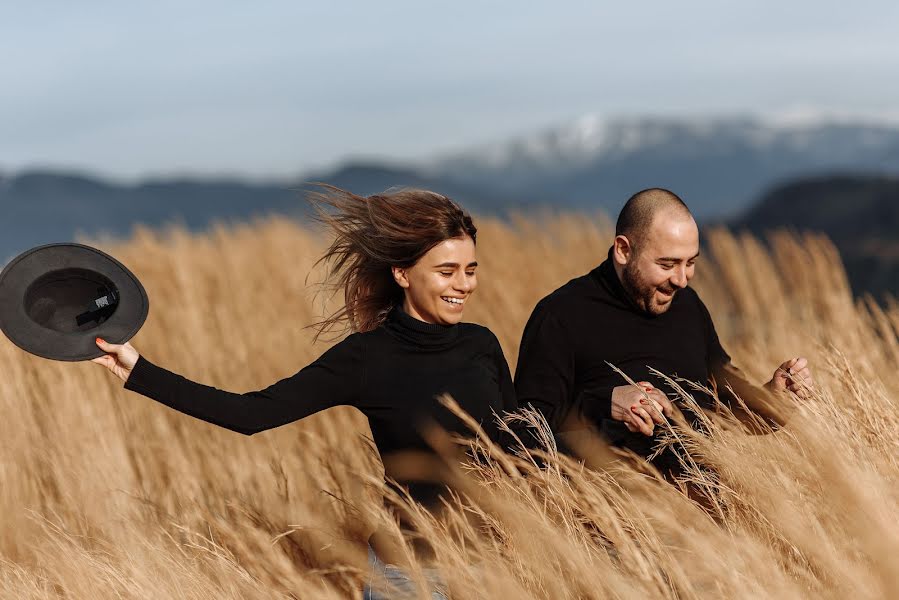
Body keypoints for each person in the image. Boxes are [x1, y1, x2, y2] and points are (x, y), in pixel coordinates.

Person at [92, 185, 518, 599]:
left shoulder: (482, 345)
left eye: (470, 270)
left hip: (491, 567)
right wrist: (141, 373)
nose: (464, 284)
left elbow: (518, 449)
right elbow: (251, 414)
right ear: (402, 274)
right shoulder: (365, 358)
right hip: (408, 573)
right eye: (447, 272)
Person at [514, 188, 813, 477]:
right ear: (623, 250)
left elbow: (724, 406)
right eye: (667, 264)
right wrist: (605, 404)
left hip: (706, 512)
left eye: (691, 262)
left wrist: (772, 401)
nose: (682, 280)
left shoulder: (689, 307)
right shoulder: (560, 315)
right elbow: (523, 437)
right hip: (608, 517)